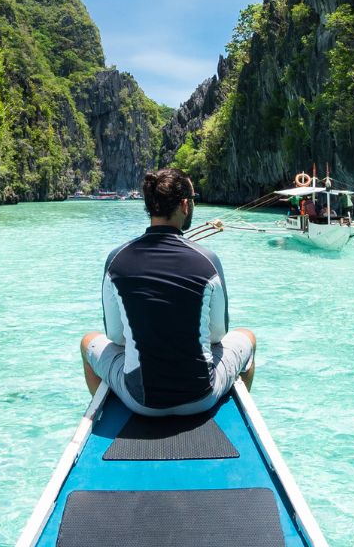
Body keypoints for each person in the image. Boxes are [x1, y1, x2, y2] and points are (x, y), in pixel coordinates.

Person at [80, 168, 256, 415]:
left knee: (87, 341)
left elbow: (116, 337)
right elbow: (218, 334)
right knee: (247, 337)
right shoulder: (207, 260)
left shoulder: (116, 260)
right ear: (185, 205)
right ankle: (235, 415)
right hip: (202, 397)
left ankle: (110, 415)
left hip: (141, 402)